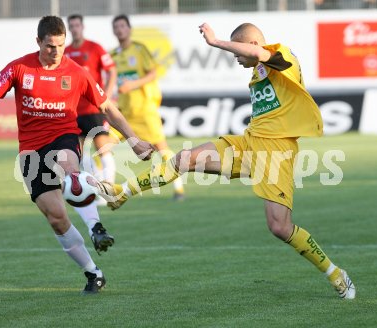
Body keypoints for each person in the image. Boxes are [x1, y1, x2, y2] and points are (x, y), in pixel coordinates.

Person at [98, 22, 356, 299]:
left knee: (279, 226)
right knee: (185, 158)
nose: (236, 58)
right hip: (247, 144)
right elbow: (255, 61)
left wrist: (217, 42)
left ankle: (335, 273)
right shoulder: (258, 72)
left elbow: (257, 54)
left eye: (238, 52)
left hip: (275, 153)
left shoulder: (283, 55)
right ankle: (121, 194)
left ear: (254, 45)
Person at [0, 16, 153, 294]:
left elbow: (108, 108)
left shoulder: (77, 72)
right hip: (31, 151)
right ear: (38, 42)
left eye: (60, 45)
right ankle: (93, 273)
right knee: (57, 217)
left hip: (63, 138)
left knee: (71, 174)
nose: (55, 52)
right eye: (49, 46)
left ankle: (96, 227)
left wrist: (134, 140)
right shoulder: (19, 68)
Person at [100, 14, 185, 200]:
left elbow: (153, 73)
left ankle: (178, 187)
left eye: (122, 26)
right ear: (114, 31)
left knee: (161, 148)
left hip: (144, 111)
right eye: (116, 27)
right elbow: (109, 79)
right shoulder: (112, 55)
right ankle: (104, 190)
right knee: (103, 146)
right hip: (123, 113)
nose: (119, 29)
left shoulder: (139, 50)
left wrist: (133, 84)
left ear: (129, 29)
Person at [65, 14, 117, 187]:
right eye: (71, 26)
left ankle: (108, 187)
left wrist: (106, 96)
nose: (74, 29)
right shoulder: (66, 52)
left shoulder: (95, 48)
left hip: (94, 109)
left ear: (82, 26)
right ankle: (94, 187)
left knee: (102, 149)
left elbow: (112, 70)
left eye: (77, 25)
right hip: (74, 111)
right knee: (80, 155)